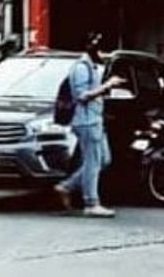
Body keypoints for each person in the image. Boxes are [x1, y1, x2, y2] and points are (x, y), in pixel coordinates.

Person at [54, 33, 124, 218]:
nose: (107, 57)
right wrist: (107, 86)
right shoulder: (81, 67)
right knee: (92, 162)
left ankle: (67, 186)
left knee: (103, 159)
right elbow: (82, 96)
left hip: (95, 120)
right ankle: (91, 203)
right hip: (86, 121)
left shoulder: (94, 67)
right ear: (96, 50)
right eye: (105, 53)